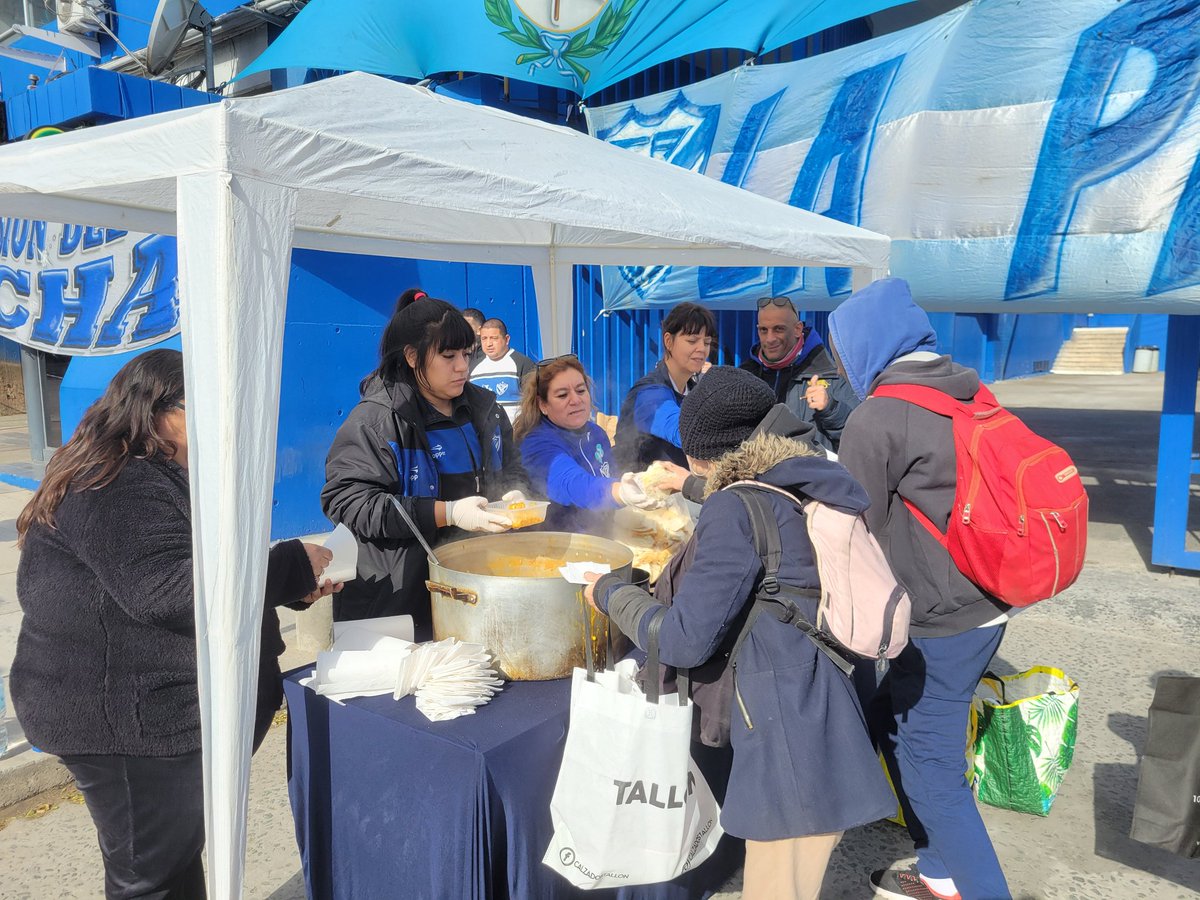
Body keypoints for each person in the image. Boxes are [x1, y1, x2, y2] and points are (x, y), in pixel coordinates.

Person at [9, 348, 339, 900]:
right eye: (202, 407)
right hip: (123, 723)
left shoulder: (158, 471)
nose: (219, 421)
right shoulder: (117, 482)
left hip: (150, 713)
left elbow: (203, 575)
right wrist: (287, 566)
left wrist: (291, 586)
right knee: (150, 878)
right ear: (152, 410)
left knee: (172, 861)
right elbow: (169, 591)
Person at [587, 366, 894, 900]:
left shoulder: (734, 508)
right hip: (826, 701)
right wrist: (685, 483)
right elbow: (753, 498)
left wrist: (610, 594)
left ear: (705, 449)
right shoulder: (806, 470)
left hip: (782, 730)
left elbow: (684, 638)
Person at [828, 277, 1013, 900]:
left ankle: (978, 886)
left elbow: (854, 526)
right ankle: (937, 870)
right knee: (887, 720)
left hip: (942, 617)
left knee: (934, 770)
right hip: (988, 596)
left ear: (864, 346)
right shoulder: (965, 389)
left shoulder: (877, 415)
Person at [322, 298, 528, 634]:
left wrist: (513, 492)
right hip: (397, 598)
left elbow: (513, 466)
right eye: (449, 357)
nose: (463, 366)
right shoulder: (377, 421)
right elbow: (347, 501)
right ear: (413, 356)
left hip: (473, 588)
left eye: (467, 353)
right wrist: (446, 513)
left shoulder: (485, 409)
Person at [514, 354, 683, 533]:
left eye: (580, 390)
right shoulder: (536, 443)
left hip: (602, 534)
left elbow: (609, 475)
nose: (576, 400)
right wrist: (621, 493)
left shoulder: (596, 433)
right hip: (559, 546)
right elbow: (573, 483)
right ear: (543, 405)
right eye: (562, 395)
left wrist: (647, 481)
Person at [740, 296, 859, 451]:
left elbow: (859, 440)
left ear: (797, 329)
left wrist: (831, 408)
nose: (770, 338)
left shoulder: (832, 376)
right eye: (764, 330)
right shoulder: (745, 377)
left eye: (778, 329)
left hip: (811, 474)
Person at [614, 302, 715, 471]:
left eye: (706, 342)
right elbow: (682, 430)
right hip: (641, 492)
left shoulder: (694, 390)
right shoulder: (649, 392)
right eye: (692, 340)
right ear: (668, 341)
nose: (701, 349)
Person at [469, 317, 535, 424]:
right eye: (484, 338)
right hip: (483, 436)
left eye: (494, 338)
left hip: (515, 435)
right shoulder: (472, 367)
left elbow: (533, 402)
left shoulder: (522, 363)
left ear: (507, 339)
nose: (489, 343)